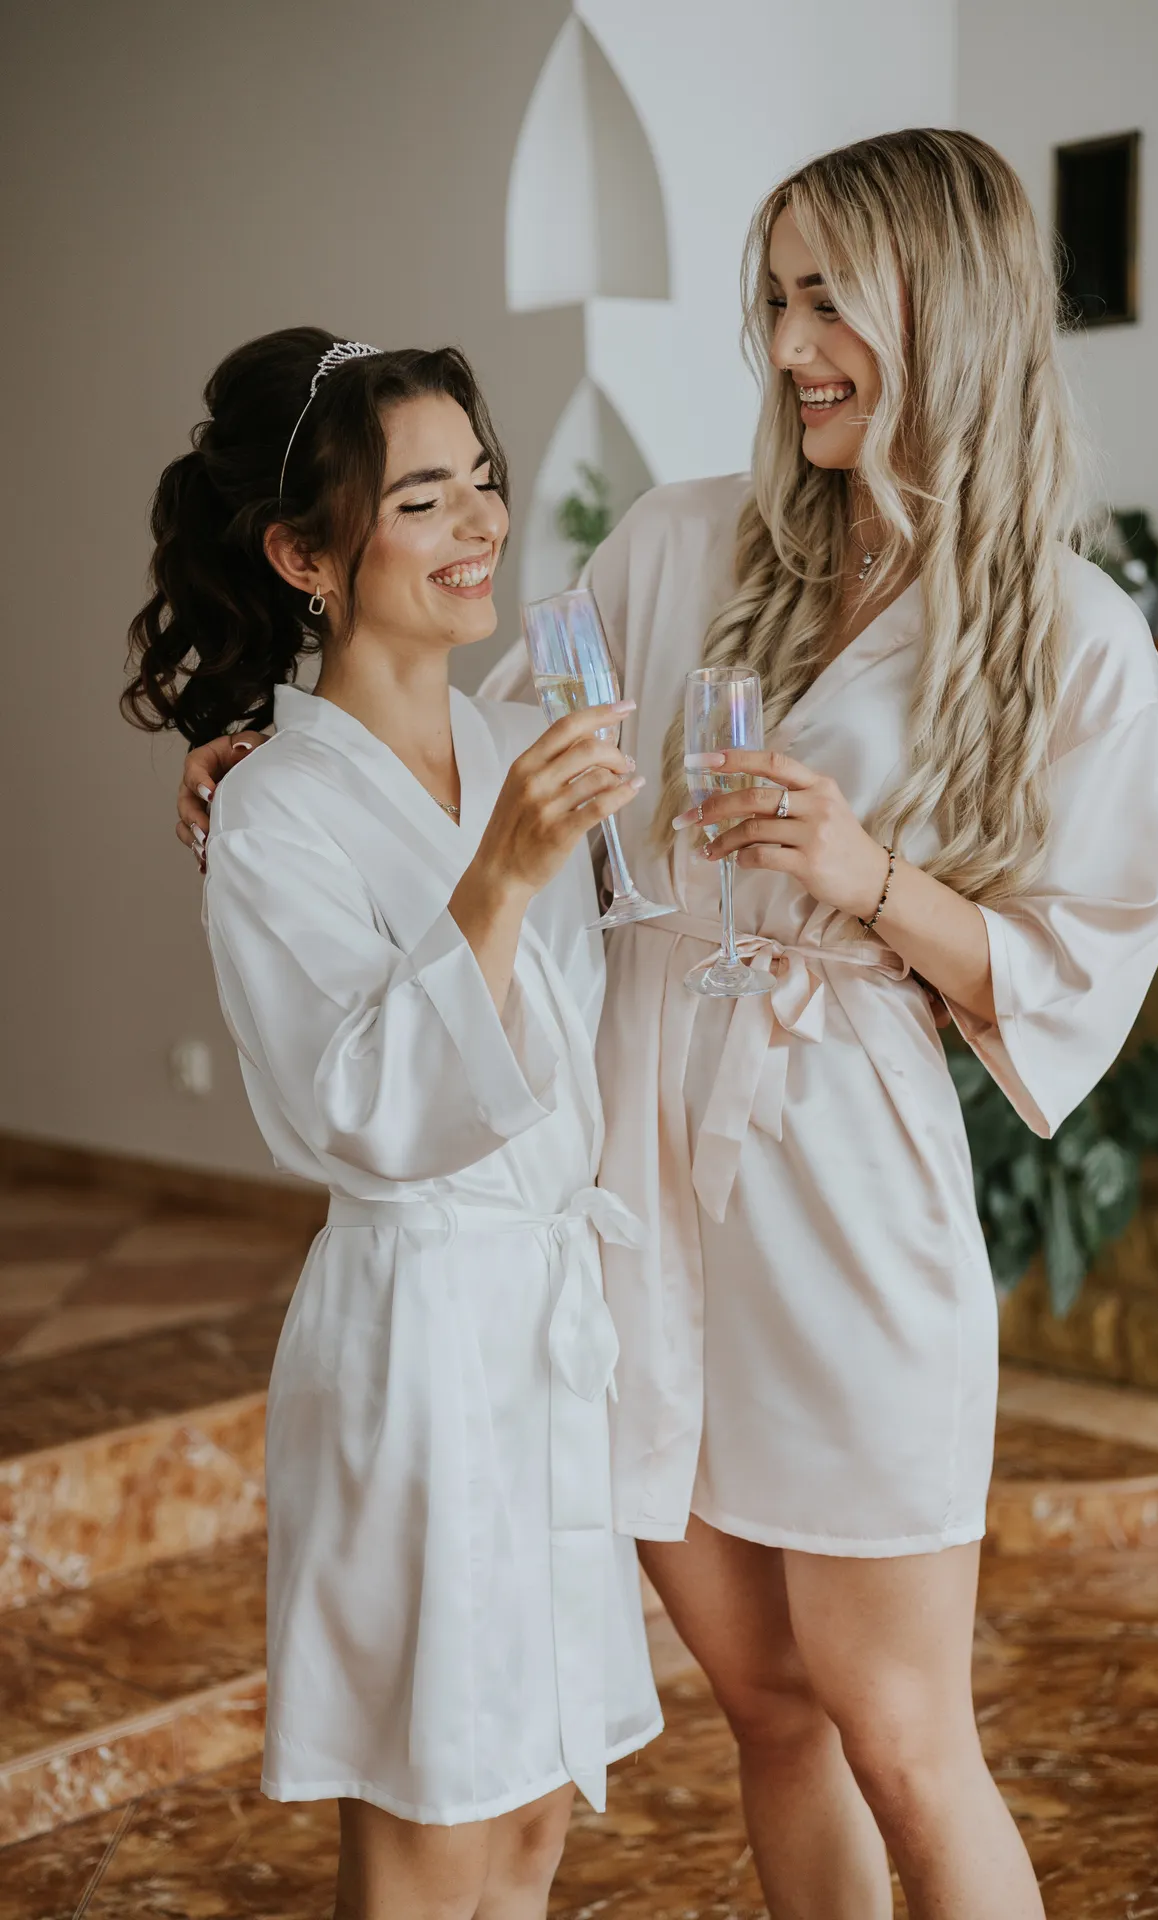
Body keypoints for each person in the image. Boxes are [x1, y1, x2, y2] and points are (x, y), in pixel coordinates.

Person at [175, 131, 1158, 1920]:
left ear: (944, 310)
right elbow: (471, 735)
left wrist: (871, 880)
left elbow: (1081, 956)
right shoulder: (684, 542)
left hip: (844, 1182)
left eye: (829, 302)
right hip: (633, 1189)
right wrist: (262, 745)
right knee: (770, 1710)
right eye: (774, 300)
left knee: (901, 1734)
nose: (788, 346)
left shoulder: (1077, 638)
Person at [126, 327, 660, 1920]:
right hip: (421, 1338)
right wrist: (499, 877)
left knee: (534, 1822)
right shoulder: (273, 809)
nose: (480, 521)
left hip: (549, 1327)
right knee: (433, 1825)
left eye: (481, 481)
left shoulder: (507, 739)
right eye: (421, 500)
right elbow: (353, 1104)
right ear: (305, 556)